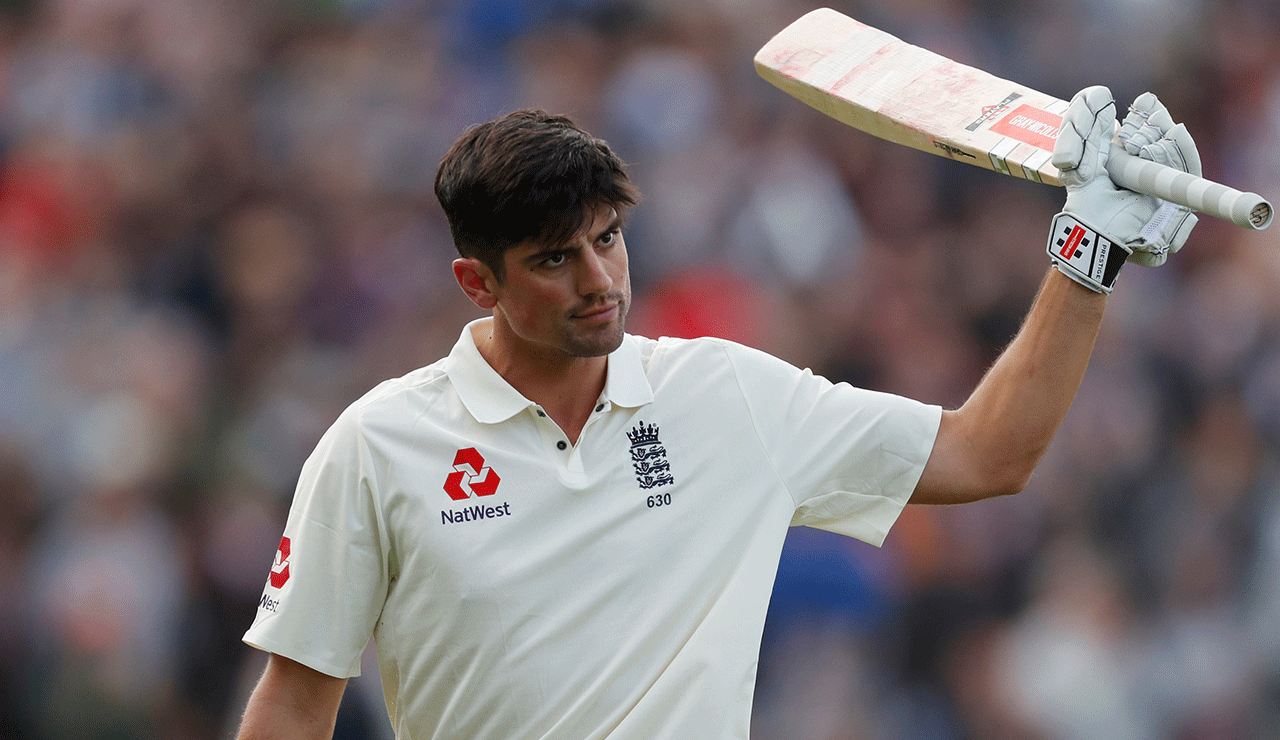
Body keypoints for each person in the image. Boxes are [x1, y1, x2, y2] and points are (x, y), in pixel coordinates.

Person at [234, 85, 1200, 739]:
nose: (600, 280)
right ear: (475, 281)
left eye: (608, 239)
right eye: (554, 259)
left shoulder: (726, 394)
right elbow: (295, 700)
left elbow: (989, 454)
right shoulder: (376, 446)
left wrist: (1086, 257)